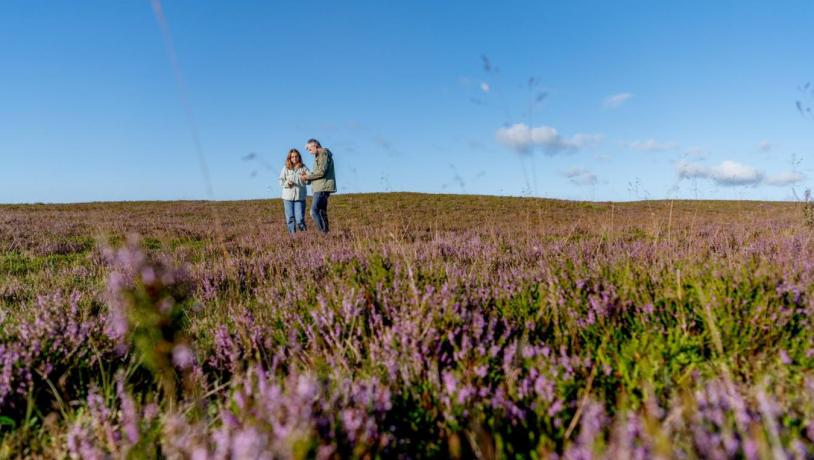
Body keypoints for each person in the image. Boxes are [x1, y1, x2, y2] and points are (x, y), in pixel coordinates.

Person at [300, 139, 336, 233]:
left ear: (315, 146)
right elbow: (318, 172)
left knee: (313, 211)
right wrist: (308, 176)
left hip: (322, 187)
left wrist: (307, 177)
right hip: (321, 187)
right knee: (321, 212)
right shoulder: (320, 155)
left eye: (309, 148)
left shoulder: (322, 154)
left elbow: (321, 172)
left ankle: (322, 234)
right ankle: (326, 235)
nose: (308, 151)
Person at [278, 148, 309, 233]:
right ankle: (293, 239)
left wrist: (305, 177)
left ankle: (306, 238)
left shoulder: (304, 168)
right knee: (290, 219)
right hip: (287, 198)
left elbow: (309, 180)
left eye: (296, 156)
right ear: (289, 158)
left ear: (299, 157)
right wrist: (287, 183)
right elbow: (280, 181)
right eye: (292, 157)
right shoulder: (285, 168)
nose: (294, 158)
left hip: (300, 197)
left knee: (300, 219)